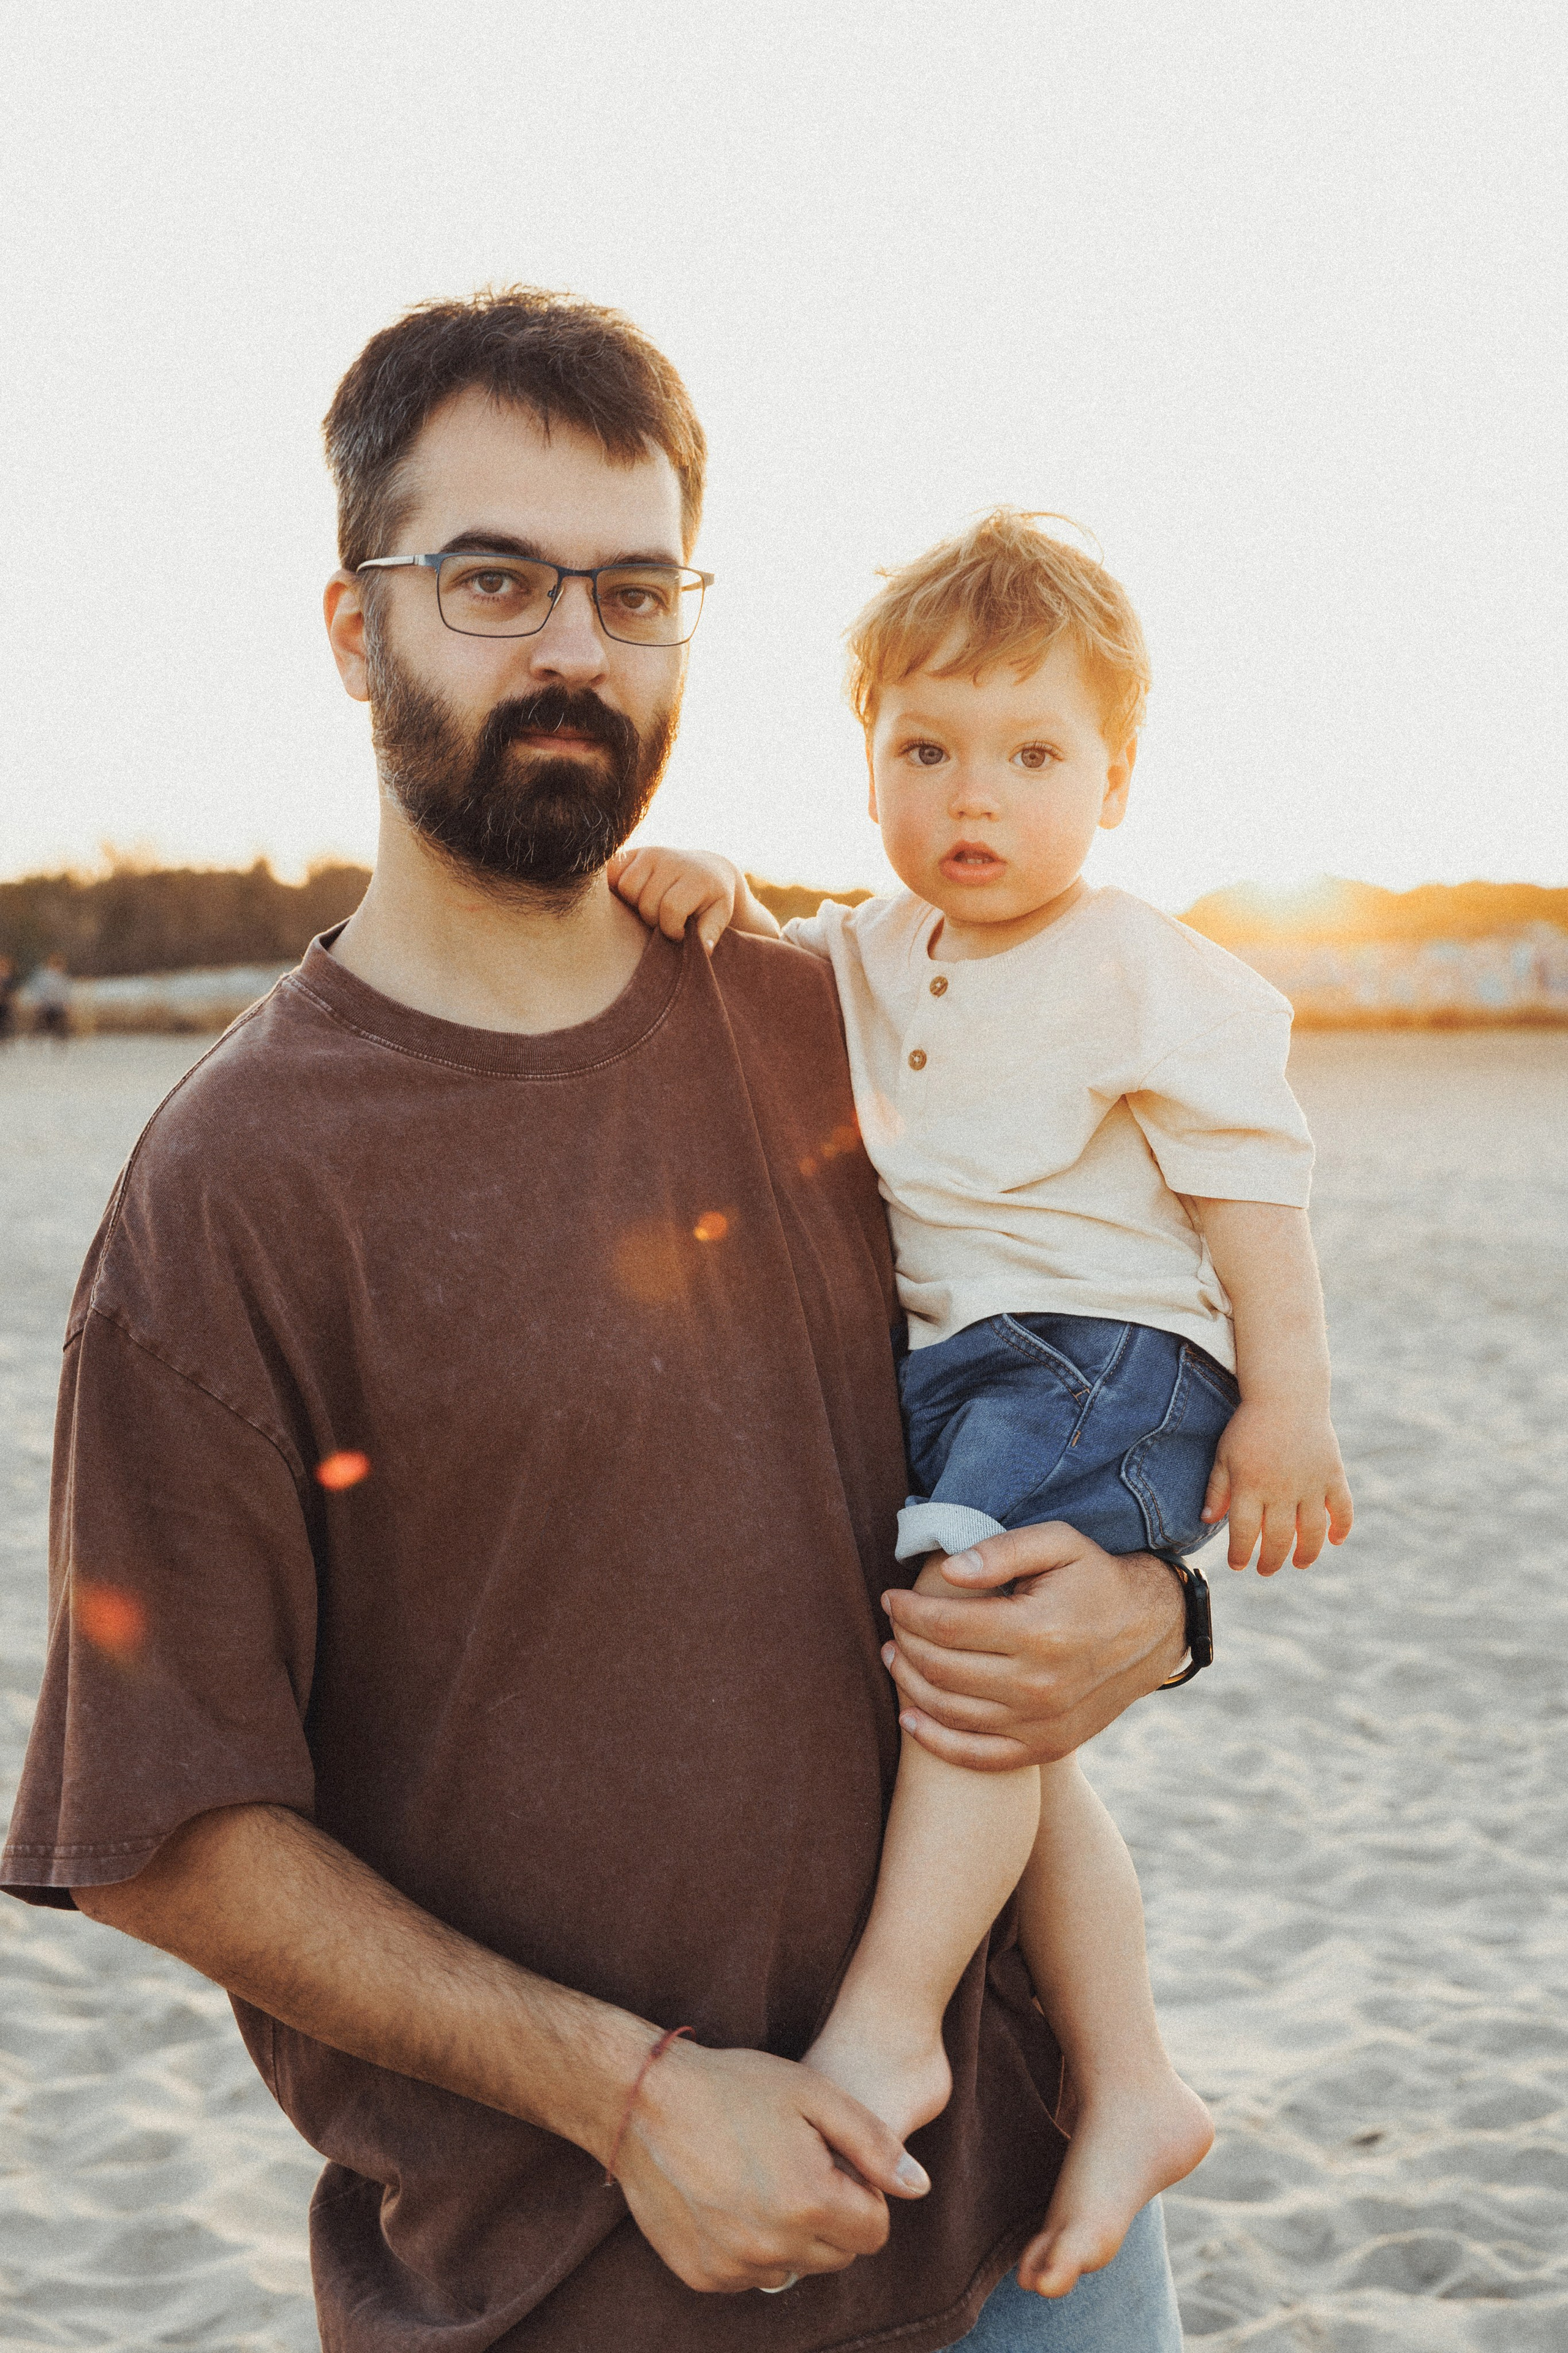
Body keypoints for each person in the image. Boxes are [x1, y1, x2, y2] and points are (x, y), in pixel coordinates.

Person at [2, 296, 1196, 2353]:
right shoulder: (228, 1199)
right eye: (493, 580)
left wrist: (1158, 1618)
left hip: (1029, 2241)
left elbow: (1093, 1373)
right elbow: (164, 1832)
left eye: (633, 591)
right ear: (353, 626)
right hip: (580, 2291)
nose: (573, 646)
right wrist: (627, 2096)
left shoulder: (840, 1023)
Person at [611, 509, 1354, 2296]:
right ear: (865, 756)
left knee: (961, 1649)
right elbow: (773, 959)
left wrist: (1285, 1409)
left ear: (1113, 775)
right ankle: (1134, 2077)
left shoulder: (1136, 960)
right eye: (923, 748)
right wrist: (708, 880)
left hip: (1107, 1353)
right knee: (1006, 1717)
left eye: (1032, 754)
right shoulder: (875, 947)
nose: (975, 795)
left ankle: (891, 2016)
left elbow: (1255, 1192)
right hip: (966, 1375)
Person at [31, 950, 73, 1040]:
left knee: (60, 1026)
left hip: (58, 1005)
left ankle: (60, 1040)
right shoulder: (44, 976)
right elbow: (39, 990)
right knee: (42, 1025)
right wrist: (38, 1002)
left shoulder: (63, 977)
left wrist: (67, 1003)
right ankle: (37, 1040)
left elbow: (65, 992)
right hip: (46, 1005)